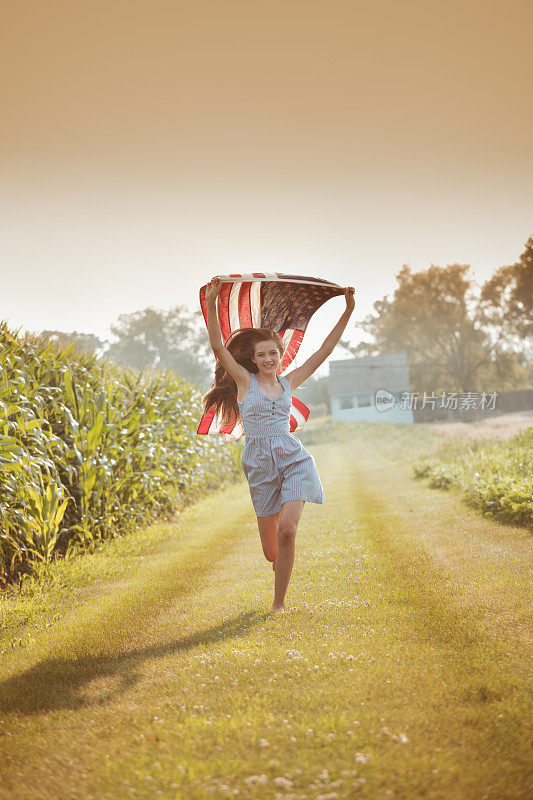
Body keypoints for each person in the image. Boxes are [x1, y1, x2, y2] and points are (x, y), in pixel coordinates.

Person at [204, 276, 355, 612]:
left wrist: (347, 308)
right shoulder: (245, 382)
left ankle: (279, 604)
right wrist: (214, 302)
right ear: (254, 360)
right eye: (263, 355)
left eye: (274, 353)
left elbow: (324, 351)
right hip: (259, 465)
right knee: (272, 551)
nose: (269, 359)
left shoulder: (290, 381)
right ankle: (279, 566)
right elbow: (217, 347)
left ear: (280, 355)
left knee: (288, 531)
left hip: (293, 458)